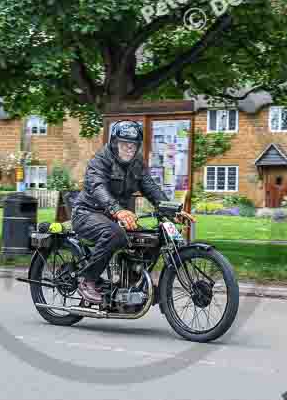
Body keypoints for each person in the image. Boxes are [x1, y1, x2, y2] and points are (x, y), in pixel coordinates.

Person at [71, 121, 196, 304]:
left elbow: (150, 187)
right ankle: (87, 279)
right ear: (114, 142)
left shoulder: (137, 163)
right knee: (114, 234)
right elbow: (98, 187)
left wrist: (173, 210)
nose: (129, 148)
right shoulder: (100, 160)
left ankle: (130, 283)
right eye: (124, 144)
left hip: (114, 215)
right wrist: (117, 210)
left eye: (133, 145)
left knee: (149, 238)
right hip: (87, 213)